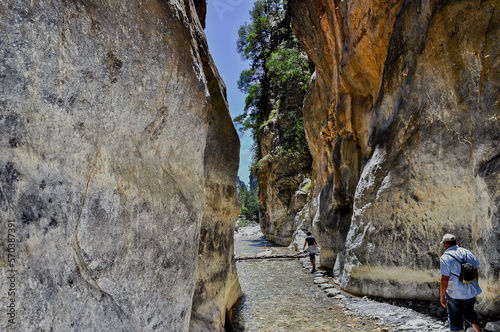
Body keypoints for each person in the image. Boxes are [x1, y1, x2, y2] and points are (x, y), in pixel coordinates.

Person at [440, 233, 482, 332]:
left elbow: (444, 279)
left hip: (454, 293)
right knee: (471, 314)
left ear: (446, 244)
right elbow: (475, 271)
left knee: (455, 318)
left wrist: (442, 296)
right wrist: (474, 286)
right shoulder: (467, 252)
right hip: (469, 291)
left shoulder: (445, 258)